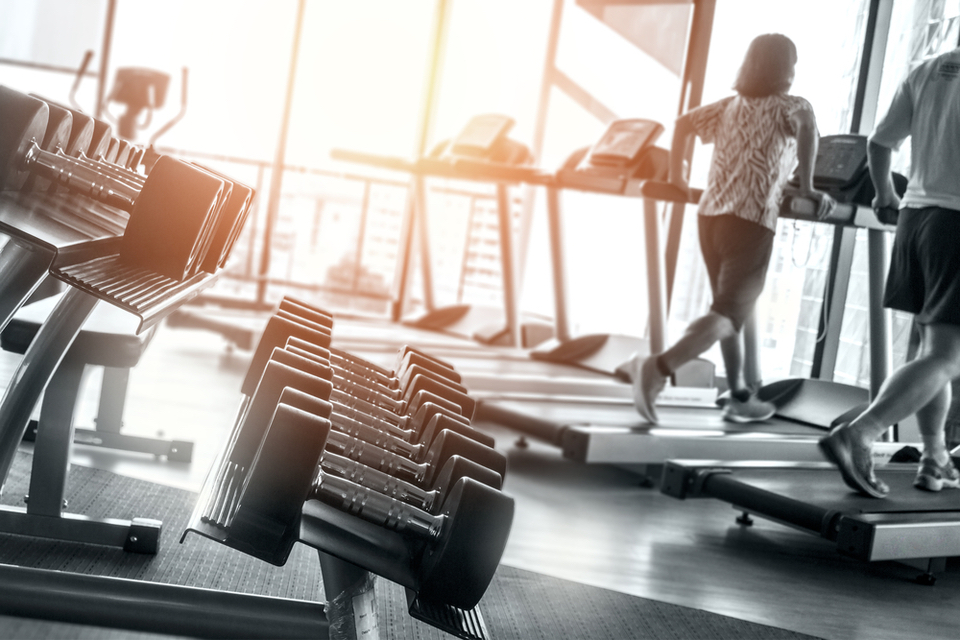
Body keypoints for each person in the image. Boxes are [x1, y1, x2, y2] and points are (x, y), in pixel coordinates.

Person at [629, 33, 835, 425]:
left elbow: (682, 125)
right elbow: (807, 128)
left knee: (729, 310)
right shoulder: (792, 105)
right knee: (727, 314)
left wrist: (676, 176)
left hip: (711, 217)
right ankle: (658, 367)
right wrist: (808, 187)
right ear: (786, 68)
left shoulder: (730, 105)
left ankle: (739, 393)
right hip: (750, 220)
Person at [818, 45, 960, 498]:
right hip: (957, 223)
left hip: (916, 218)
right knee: (945, 357)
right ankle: (862, 431)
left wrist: (884, 197)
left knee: (928, 352)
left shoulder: (928, 69)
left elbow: (880, 143)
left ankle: (934, 454)